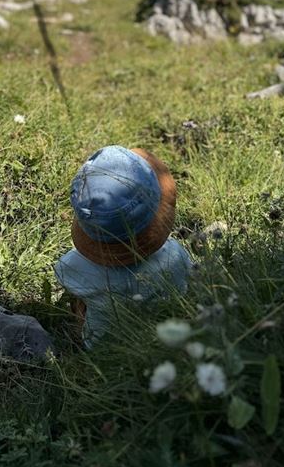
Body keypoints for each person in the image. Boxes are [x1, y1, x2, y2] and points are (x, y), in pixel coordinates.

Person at [54, 145, 192, 347]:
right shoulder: (176, 256)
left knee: (82, 303)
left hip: (102, 347)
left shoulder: (74, 266)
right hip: (166, 333)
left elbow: (63, 274)